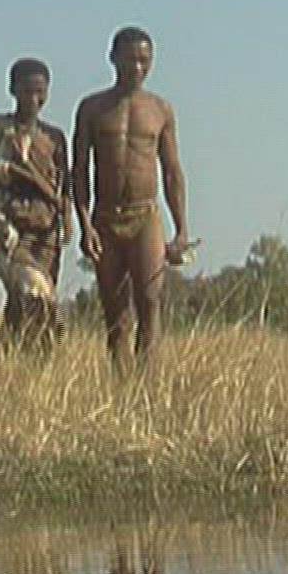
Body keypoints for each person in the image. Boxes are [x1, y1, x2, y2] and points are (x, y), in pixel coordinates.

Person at [72, 27, 191, 375]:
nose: (137, 67)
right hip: (105, 218)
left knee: (150, 302)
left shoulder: (160, 109)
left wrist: (181, 229)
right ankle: (121, 390)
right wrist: (85, 225)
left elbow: (172, 171)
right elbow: (79, 170)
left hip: (145, 216)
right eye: (130, 59)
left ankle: (147, 389)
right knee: (116, 315)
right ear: (113, 58)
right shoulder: (92, 108)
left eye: (144, 60)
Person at [0, 58, 73, 353]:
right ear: (13, 90)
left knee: (25, 303)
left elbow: (64, 184)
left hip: (46, 231)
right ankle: (29, 354)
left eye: (41, 92)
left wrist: (67, 219)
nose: (34, 99)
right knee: (35, 293)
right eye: (27, 91)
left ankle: (20, 362)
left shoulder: (54, 137)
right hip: (10, 227)